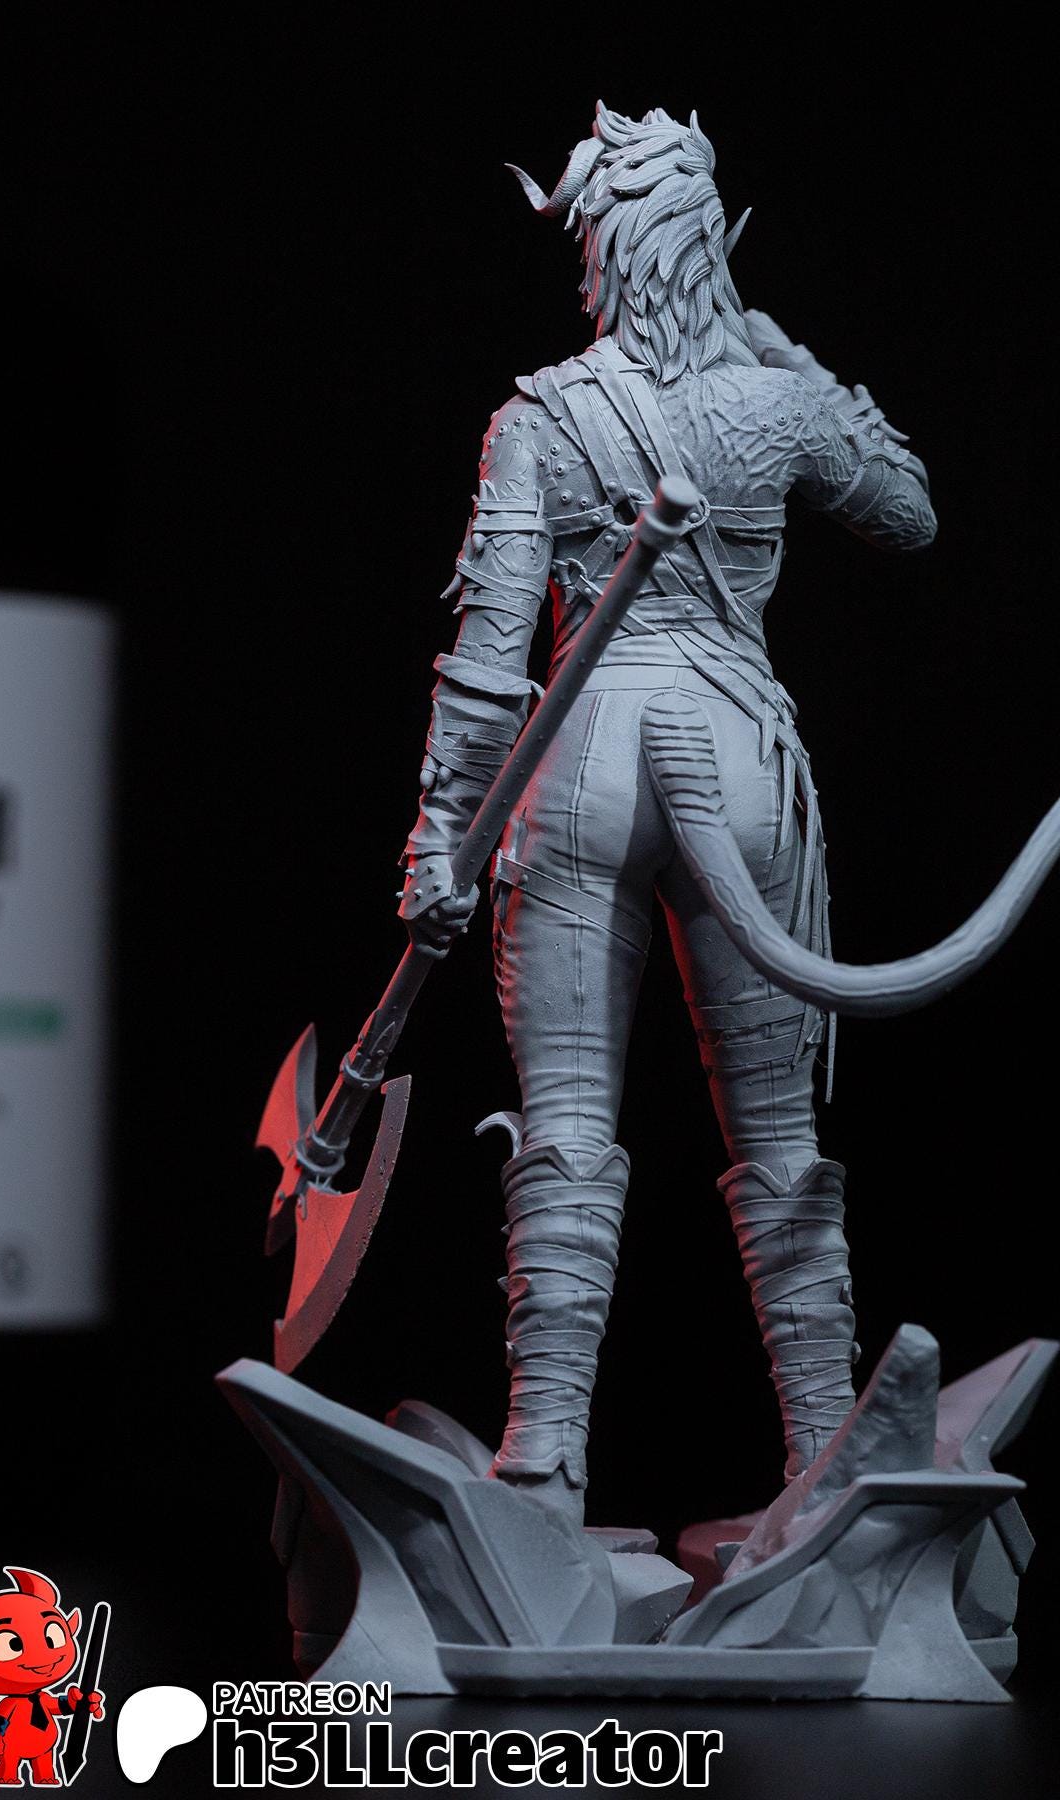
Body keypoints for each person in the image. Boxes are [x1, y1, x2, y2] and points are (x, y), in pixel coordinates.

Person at [400, 103, 937, 1519]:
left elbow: (488, 665)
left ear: (596, 249)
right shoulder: (773, 407)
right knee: (776, 1132)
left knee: (569, 1118)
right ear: (710, 244)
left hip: (579, 761)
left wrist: (441, 837)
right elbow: (907, 507)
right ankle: (818, 1453)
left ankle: (543, 1461)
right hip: (737, 753)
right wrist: (790, 357)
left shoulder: (539, 418)